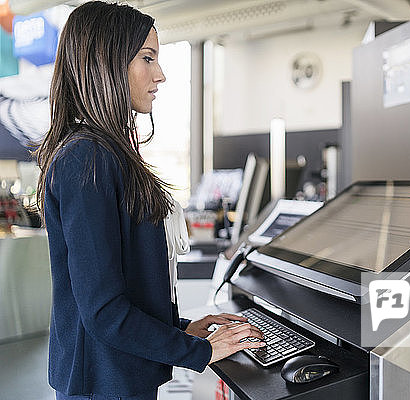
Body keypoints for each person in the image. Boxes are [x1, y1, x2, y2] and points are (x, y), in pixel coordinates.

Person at [33, 2, 265, 399]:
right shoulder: (86, 158)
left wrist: (180, 329)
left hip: (119, 375)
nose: (160, 74)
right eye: (147, 58)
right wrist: (198, 350)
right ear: (105, 63)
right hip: (104, 383)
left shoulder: (107, 154)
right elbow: (104, 311)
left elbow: (129, 286)